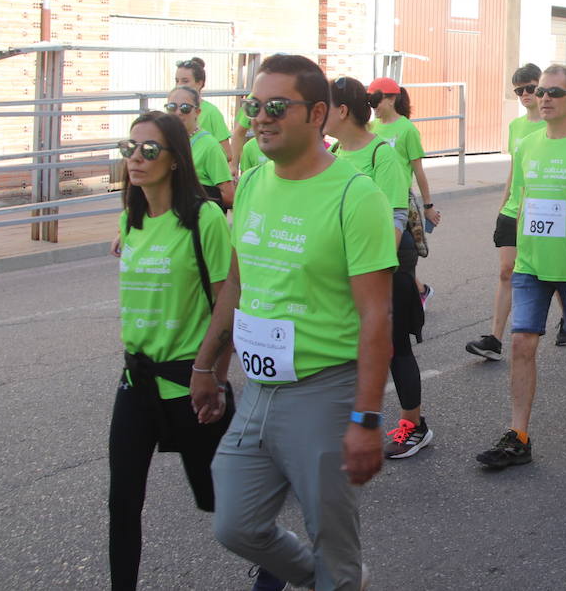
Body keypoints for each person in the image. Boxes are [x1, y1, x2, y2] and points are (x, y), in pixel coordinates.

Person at [194, 54, 396, 591]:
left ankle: (337, 579)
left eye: (277, 106)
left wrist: (366, 418)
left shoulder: (357, 195)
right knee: (235, 523)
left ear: (318, 115)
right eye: (254, 106)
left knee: (334, 539)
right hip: (259, 387)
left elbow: (377, 316)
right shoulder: (255, 183)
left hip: (323, 390)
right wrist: (207, 367)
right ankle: (324, 580)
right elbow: (236, 287)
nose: (261, 117)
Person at [109, 110, 236, 591]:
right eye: (130, 148)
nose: (136, 159)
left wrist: (217, 379)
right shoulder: (131, 217)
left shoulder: (204, 218)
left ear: (176, 160)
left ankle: (281, 557)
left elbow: (227, 302)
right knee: (122, 502)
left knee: (220, 505)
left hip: (191, 383)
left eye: (149, 150)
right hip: (136, 382)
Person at [477, 65, 566, 469]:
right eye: (541, 91)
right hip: (531, 265)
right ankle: (518, 434)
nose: (545, 98)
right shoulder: (528, 144)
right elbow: (523, 201)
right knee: (523, 342)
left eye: (555, 92)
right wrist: (518, 245)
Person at [325, 77, 433, 461]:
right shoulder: (333, 152)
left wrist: (373, 271)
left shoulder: (380, 154)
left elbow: (396, 216)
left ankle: (414, 425)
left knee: (394, 346)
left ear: (341, 111)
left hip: (386, 261)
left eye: (325, 104)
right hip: (347, 265)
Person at [467, 64, 566, 361]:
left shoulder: (554, 124)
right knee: (506, 271)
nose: (525, 94)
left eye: (530, 88)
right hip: (514, 210)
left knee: (551, 272)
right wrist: (504, 203)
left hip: (545, 210)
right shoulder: (516, 127)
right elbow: (515, 169)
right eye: (519, 90)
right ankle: (494, 339)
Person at [368, 78, 439, 308]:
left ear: (391, 98)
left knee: (401, 253)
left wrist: (428, 206)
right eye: (370, 100)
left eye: (376, 99)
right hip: (375, 199)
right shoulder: (372, 128)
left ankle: (415, 295)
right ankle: (420, 290)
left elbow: (418, 171)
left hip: (400, 200)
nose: (373, 105)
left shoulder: (407, 129)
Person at [165, 86, 235, 208]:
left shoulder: (209, 145)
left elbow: (229, 197)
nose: (178, 112)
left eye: (185, 108)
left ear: (197, 112)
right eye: (172, 107)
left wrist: (190, 195)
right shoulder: (163, 141)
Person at [174, 57, 232, 163]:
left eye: (185, 81)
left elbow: (227, 154)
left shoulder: (211, 112)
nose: (179, 85)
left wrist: (199, 160)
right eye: (177, 81)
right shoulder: (172, 111)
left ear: (199, 83)